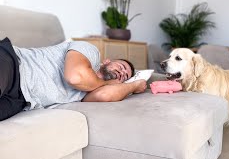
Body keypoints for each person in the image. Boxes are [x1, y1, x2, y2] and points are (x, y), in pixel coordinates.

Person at [0, 37, 147, 121]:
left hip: (20, 100)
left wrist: (133, 86)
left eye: (125, 76)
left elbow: (104, 95)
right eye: (121, 66)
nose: (122, 72)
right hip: (15, 64)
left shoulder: (90, 92)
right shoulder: (91, 52)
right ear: (107, 61)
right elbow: (75, 77)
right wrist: (109, 82)